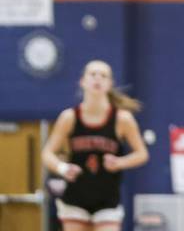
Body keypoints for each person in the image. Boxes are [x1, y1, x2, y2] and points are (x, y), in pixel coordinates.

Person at [41, 59, 149, 231]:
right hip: (76, 195)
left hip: (107, 197)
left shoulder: (122, 119)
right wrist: (62, 168)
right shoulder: (69, 117)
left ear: (110, 84)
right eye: (93, 74)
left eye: (103, 75)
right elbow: (47, 153)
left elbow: (142, 154)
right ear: (83, 81)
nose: (97, 79)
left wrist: (120, 163)